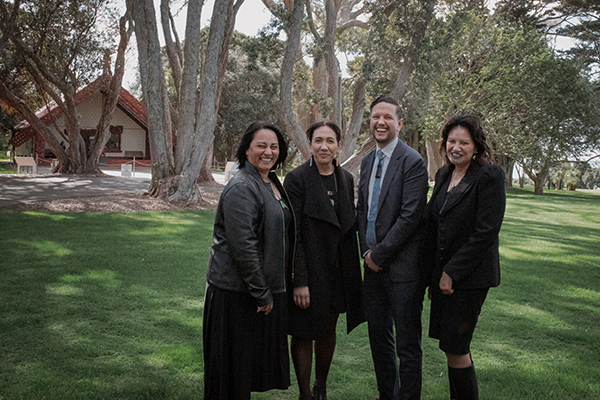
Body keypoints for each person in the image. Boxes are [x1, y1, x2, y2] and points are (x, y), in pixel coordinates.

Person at [203, 121, 295, 400]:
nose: (269, 152)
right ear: (246, 150)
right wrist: (262, 293)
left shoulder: (269, 181)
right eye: (261, 146)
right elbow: (244, 246)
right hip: (235, 295)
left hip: (254, 293)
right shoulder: (243, 186)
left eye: (274, 146)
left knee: (243, 373)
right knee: (229, 379)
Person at [422, 113, 506, 400]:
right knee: (449, 348)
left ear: (477, 146)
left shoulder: (489, 176)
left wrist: (451, 273)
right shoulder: (444, 174)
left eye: (464, 142)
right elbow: (435, 224)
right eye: (451, 141)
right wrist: (434, 277)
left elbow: (486, 232)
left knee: (457, 349)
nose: (456, 147)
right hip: (444, 279)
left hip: (469, 279)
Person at [284, 121, 365, 400]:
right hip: (310, 270)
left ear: (339, 146)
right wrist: (299, 281)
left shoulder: (346, 179)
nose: (324, 146)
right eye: (318, 141)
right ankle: (305, 393)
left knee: (329, 329)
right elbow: (293, 234)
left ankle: (321, 387)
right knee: (304, 332)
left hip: (338, 273)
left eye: (330, 141)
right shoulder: (296, 180)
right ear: (309, 145)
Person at [356, 95, 429, 400]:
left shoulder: (412, 161)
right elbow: (363, 212)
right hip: (372, 269)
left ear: (399, 123)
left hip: (403, 271)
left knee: (407, 345)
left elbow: (411, 216)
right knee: (378, 339)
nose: (380, 122)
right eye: (375, 117)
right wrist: (366, 253)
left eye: (387, 117)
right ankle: (388, 395)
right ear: (370, 122)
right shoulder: (367, 160)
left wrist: (380, 255)